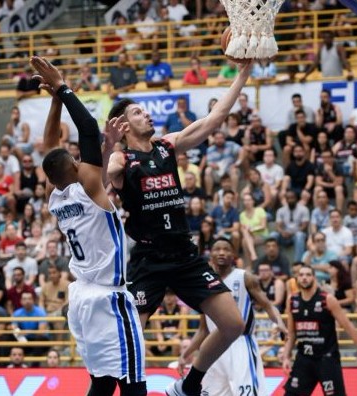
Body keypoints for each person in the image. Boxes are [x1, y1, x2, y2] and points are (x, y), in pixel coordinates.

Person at [106, 60, 253, 396]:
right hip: (149, 259)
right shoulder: (120, 160)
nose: (147, 116)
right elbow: (97, 182)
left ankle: (189, 385)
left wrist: (243, 74)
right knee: (133, 343)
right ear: (124, 126)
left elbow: (214, 120)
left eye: (146, 112)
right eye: (139, 113)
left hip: (185, 255)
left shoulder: (167, 146)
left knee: (233, 324)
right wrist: (108, 145)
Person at [31, 56, 147, 395]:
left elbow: (49, 147)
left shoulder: (55, 193)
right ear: (75, 170)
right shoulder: (89, 188)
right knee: (133, 380)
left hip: (81, 297)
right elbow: (85, 128)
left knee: (103, 381)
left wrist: (54, 102)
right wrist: (64, 87)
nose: (82, 159)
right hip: (108, 297)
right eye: (77, 160)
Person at [180, 238, 287, 396]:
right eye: (217, 249)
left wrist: (279, 322)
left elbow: (268, 306)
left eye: (226, 249)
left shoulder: (245, 277)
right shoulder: (203, 283)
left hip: (240, 344)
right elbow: (204, 330)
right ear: (211, 254)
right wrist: (186, 354)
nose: (222, 252)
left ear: (234, 255)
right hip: (212, 349)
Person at [281, 266, 357, 395]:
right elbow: (291, 333)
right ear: (297, 278)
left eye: (308, 275)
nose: (304, 278)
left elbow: (348, 327)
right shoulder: (292, 300)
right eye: (301, 275)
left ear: (314, 278)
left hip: (326, 359)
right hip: (304, 359)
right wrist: (286, 356)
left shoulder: (327, 299)